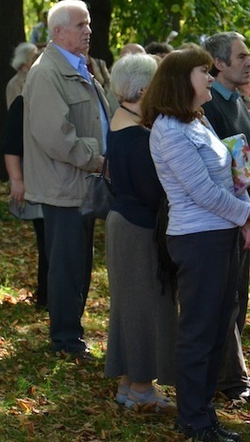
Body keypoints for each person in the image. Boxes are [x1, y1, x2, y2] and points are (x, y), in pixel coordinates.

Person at [144, 47, 250, 441]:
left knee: (220, 326)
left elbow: (229, 177)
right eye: (202, 72)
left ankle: (204, 413)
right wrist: (246, 216)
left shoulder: (196, 121)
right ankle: (193, 420)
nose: (209, 78)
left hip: (221, 235)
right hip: (198, 240)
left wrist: (243, 210)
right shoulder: (168, 129)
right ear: (180, 80)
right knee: (200, 330)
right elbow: (202, 192)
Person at [22, 0, 110, 361]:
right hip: (64, 185)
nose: (88, 30)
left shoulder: (77, 66)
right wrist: (98, 159)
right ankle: (65, 340)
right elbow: (56, 135)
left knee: (80, 264)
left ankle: (72, 335)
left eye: (88, 24)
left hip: (81, 183)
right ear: (58, 31)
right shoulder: (47, 72)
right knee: (67, 266)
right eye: (80, 25)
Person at [103, 53, 178, 410]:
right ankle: (142, 388)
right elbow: (153, 191)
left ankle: (127, 383)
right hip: (137, 227)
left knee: (129, 306)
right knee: (145, 307)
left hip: (126, 223)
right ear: (145, 89)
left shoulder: (123, 119)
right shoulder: (135, 134)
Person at [202, 32, 250, 404]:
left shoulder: (238, 101)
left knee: (240, 294)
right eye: (241, 55)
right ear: (219, 63)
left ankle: (229, 372)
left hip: (244, 213)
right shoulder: (210, 106)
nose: (248, 61)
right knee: (228, 296)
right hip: (226, 216)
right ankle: (229, 379)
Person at [3, 95, 48, 309]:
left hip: (55, 182)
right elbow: (11, 145)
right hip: (36, 182)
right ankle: (46, 296)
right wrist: (17, 181)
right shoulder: (23, 102)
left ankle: (49, 294)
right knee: (46, 242)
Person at [6, 42, 38, 107]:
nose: (37, 59)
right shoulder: (14, 84)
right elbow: (15, 111)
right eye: (34, 57)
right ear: (24, 59)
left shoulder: (38, 77)